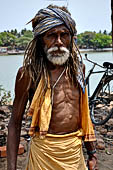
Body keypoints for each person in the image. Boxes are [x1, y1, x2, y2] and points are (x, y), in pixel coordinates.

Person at [7, 5, 98, 170]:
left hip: (74, 154)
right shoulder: (28, 74)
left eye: (64, 35)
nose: (59, 42)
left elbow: (83, 111)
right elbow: (14, 123)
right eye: (51, 36)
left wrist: (92, 152)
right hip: (43, 156)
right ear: (41, 39)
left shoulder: (78, 69)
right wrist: (11, 168)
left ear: (71, 37)